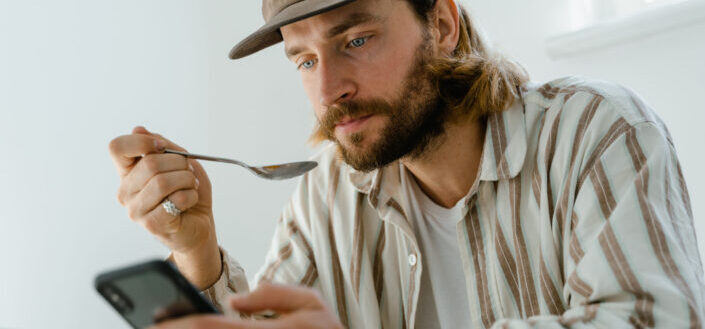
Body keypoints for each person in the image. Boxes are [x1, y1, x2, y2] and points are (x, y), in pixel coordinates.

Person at [108, 0, 705, 328]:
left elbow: (649, 323)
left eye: (356, 39)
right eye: (305, 61)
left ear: (441, 24)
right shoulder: (330, 194)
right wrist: (197, 251)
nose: (328, 90)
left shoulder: (595, 131)